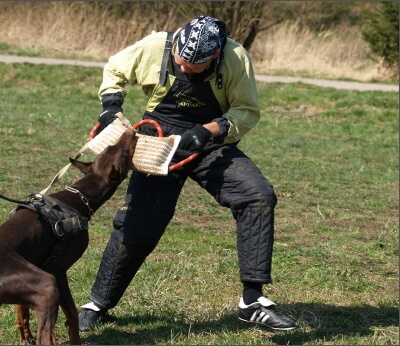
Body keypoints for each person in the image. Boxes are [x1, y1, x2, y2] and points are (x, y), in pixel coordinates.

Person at [79, 16, 296, 332]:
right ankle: (96, 304)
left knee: (257, 195)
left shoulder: (235, 58)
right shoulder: (157, 46)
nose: (183, 70)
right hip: (157, 139)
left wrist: (209, 130)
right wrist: (111, 105)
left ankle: (252, 301)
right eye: (180, 64)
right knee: (138, 224)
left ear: (215, 56)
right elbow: (115, 69)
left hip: (209, 143)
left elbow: (246, 111)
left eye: (193, 69)